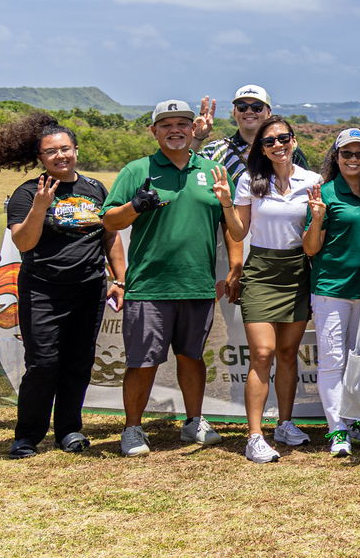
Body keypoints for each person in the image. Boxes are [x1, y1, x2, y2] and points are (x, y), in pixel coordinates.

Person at [0, 113, 125, 458]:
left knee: (78, 362)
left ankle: (69, 430)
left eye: (66, 149)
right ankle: (27, 436)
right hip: (43, 290)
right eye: (51, 152)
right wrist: (40, 208)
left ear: (75, 150)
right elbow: (24, 243)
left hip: (89, 288)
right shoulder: (29, 192)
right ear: (41, 158)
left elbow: (110, 235)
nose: (60, 156)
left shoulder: (95, 189)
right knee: (43, 364)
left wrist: (119, 278)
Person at [101, 100, 237, 456]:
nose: (175, 130)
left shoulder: (214, 171)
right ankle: (132, 429)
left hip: (196, 283)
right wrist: (135, 206)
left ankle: (194, 422)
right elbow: (109, 222)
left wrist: (235, 268)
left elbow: (231, 228)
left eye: (182, 124)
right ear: (154, 131)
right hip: (150, 285)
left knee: (192, 357)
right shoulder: (137, 170)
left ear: (194, 129)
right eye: (166, 125)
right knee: (142, 361)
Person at [223, 116, 322, 463]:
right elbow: (238, 232)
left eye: (283, 138)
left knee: (287, 353)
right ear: (261, 149)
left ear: (294, 141)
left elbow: (314, 237)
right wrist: (225, 203)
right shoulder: (250, 180)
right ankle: (254, 435)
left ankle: (285, 423)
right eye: (269, 142)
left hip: (298, 271)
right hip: (262, 271)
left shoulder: (312, 180)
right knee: (263, 354)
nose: (277, 145)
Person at [302, 128, 360, 457]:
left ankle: (351, 421)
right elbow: (311, 249)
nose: (353, 160)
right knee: (332, 362)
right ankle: (337, 430)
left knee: (357, 362)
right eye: (346, 154)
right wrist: (316, 218)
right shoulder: (324, 192)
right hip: (331, 289)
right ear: (336, 157)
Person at [192, 84, 311, 184]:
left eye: (257, 107)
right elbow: (186, 167)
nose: (249, 111)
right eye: (242, 107)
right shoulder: (216, 150)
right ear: (234, 112)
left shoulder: (286, 149)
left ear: (268, 112)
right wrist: (197, 138)